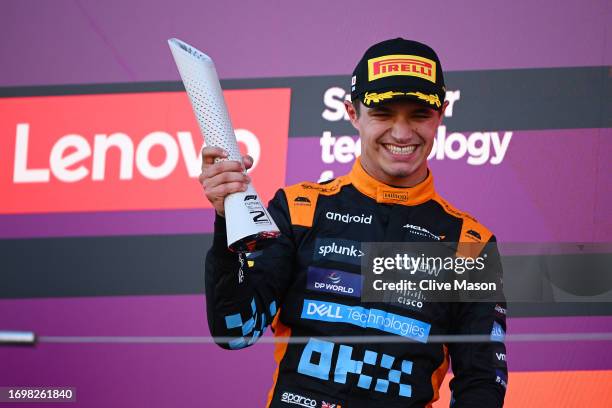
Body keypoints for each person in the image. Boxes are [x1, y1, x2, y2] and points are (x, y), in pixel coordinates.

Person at [202, 38, 507, 408]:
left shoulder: (470, 243)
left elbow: (481, 383)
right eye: (383, 113)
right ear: (352, 113)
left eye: (419, 114)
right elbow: (235, 330)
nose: (402, 132)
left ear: (441, 114)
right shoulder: (300, 209)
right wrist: (226, 220)